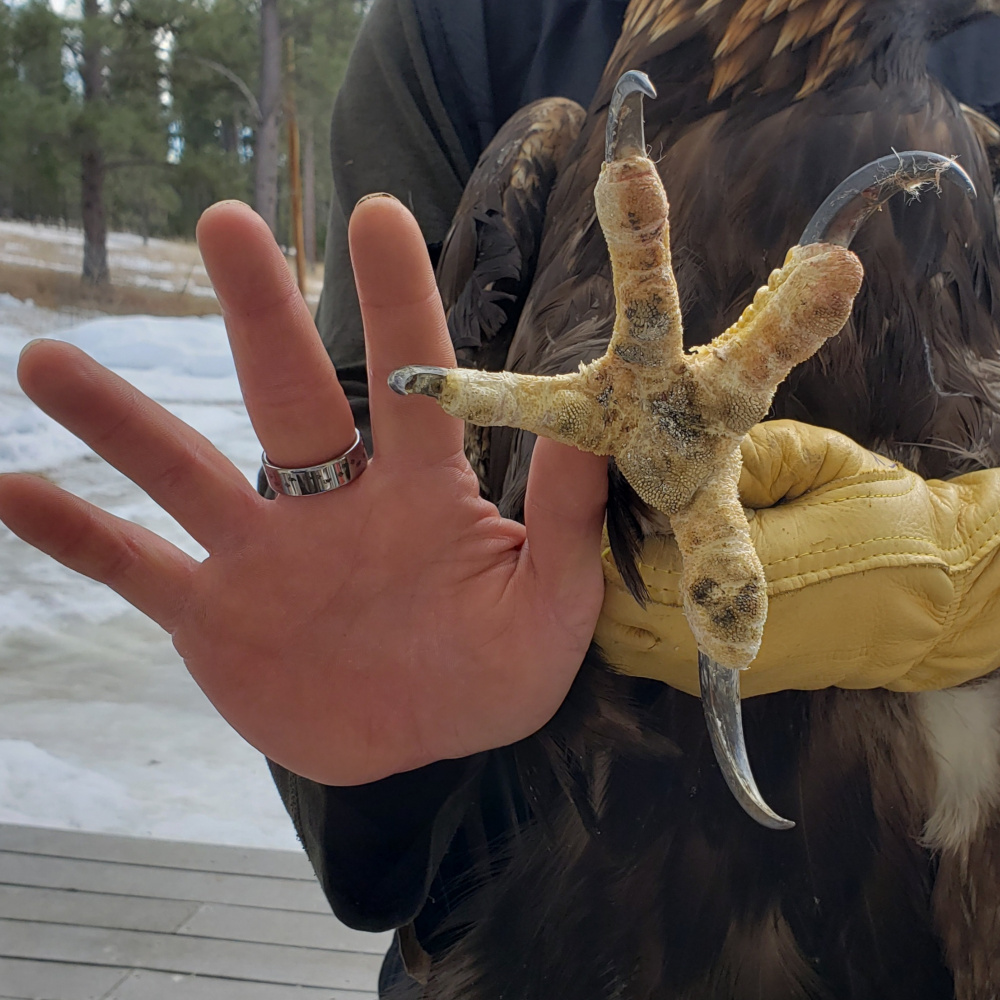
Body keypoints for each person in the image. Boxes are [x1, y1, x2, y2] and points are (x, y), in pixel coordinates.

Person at [1, 0, 999, 995]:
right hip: (563, 904)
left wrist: (980, 570)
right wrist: (379, 766)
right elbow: (363, 471)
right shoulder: (471, 31)